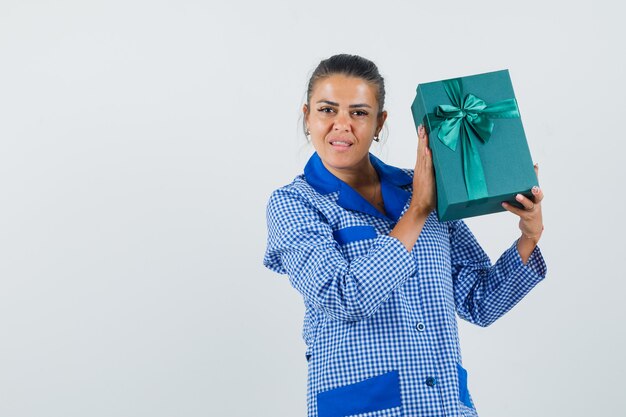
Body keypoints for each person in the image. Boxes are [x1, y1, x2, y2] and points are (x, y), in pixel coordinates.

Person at [263, 54, 546, 417]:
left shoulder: (422, 188)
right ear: (307, 117)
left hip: (445, 405)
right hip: (363, 408)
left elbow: (479, 302)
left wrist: (528, 234)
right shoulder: (293, 203)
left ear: (380, 122)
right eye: (327, 110)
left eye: (359, 112)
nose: (342, 125)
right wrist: (417, 212)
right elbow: (344, 297)